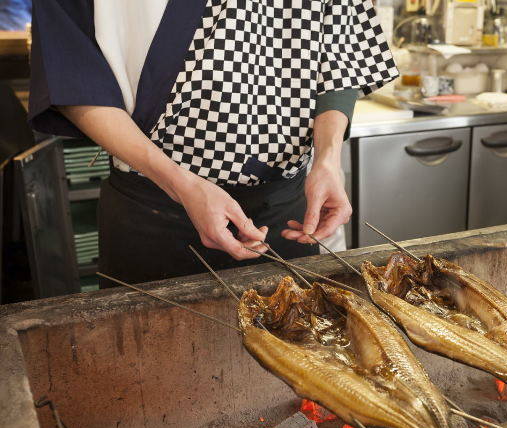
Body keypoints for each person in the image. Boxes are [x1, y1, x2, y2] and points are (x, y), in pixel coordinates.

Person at [28, 1, 398, 285]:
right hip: (156, 215)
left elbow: (341, 59)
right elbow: (72, 77)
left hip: (287, 212)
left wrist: (328, 158)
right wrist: (180, 183)